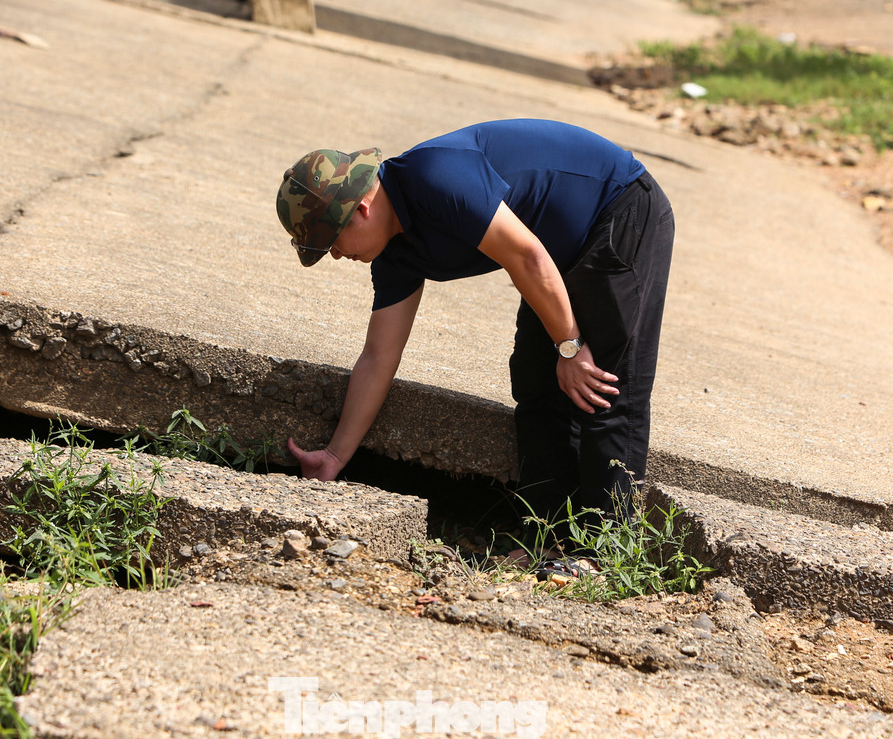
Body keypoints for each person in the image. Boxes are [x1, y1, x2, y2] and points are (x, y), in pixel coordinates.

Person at [275, 118, 673, 522]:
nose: (338, 256)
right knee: (537, 382)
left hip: (618, 207)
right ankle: (546, 534)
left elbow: (527, 256)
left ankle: (603, 552)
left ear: (359, 209)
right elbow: (379, 356)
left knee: (603, 383)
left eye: (332, 244)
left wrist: (570, 347)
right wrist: (335, 455)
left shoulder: (435, 178)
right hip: (555, 250)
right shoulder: (394, 253)